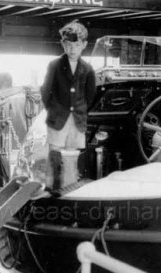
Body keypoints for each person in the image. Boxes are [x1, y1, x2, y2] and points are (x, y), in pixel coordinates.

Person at [41, 21, 96, 195]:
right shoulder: (54, 65)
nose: (72, 49)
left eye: (77, 45)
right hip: (57, 117)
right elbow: (45, 91)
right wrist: (54, 109)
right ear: (63, 44)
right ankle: (51, 188)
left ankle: (70, 188)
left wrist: (79, 110)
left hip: (78, 119)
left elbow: (90, 95)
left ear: (84, 45)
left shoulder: (87, 69)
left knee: (72, 153)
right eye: (68, 44)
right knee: (55, 152)